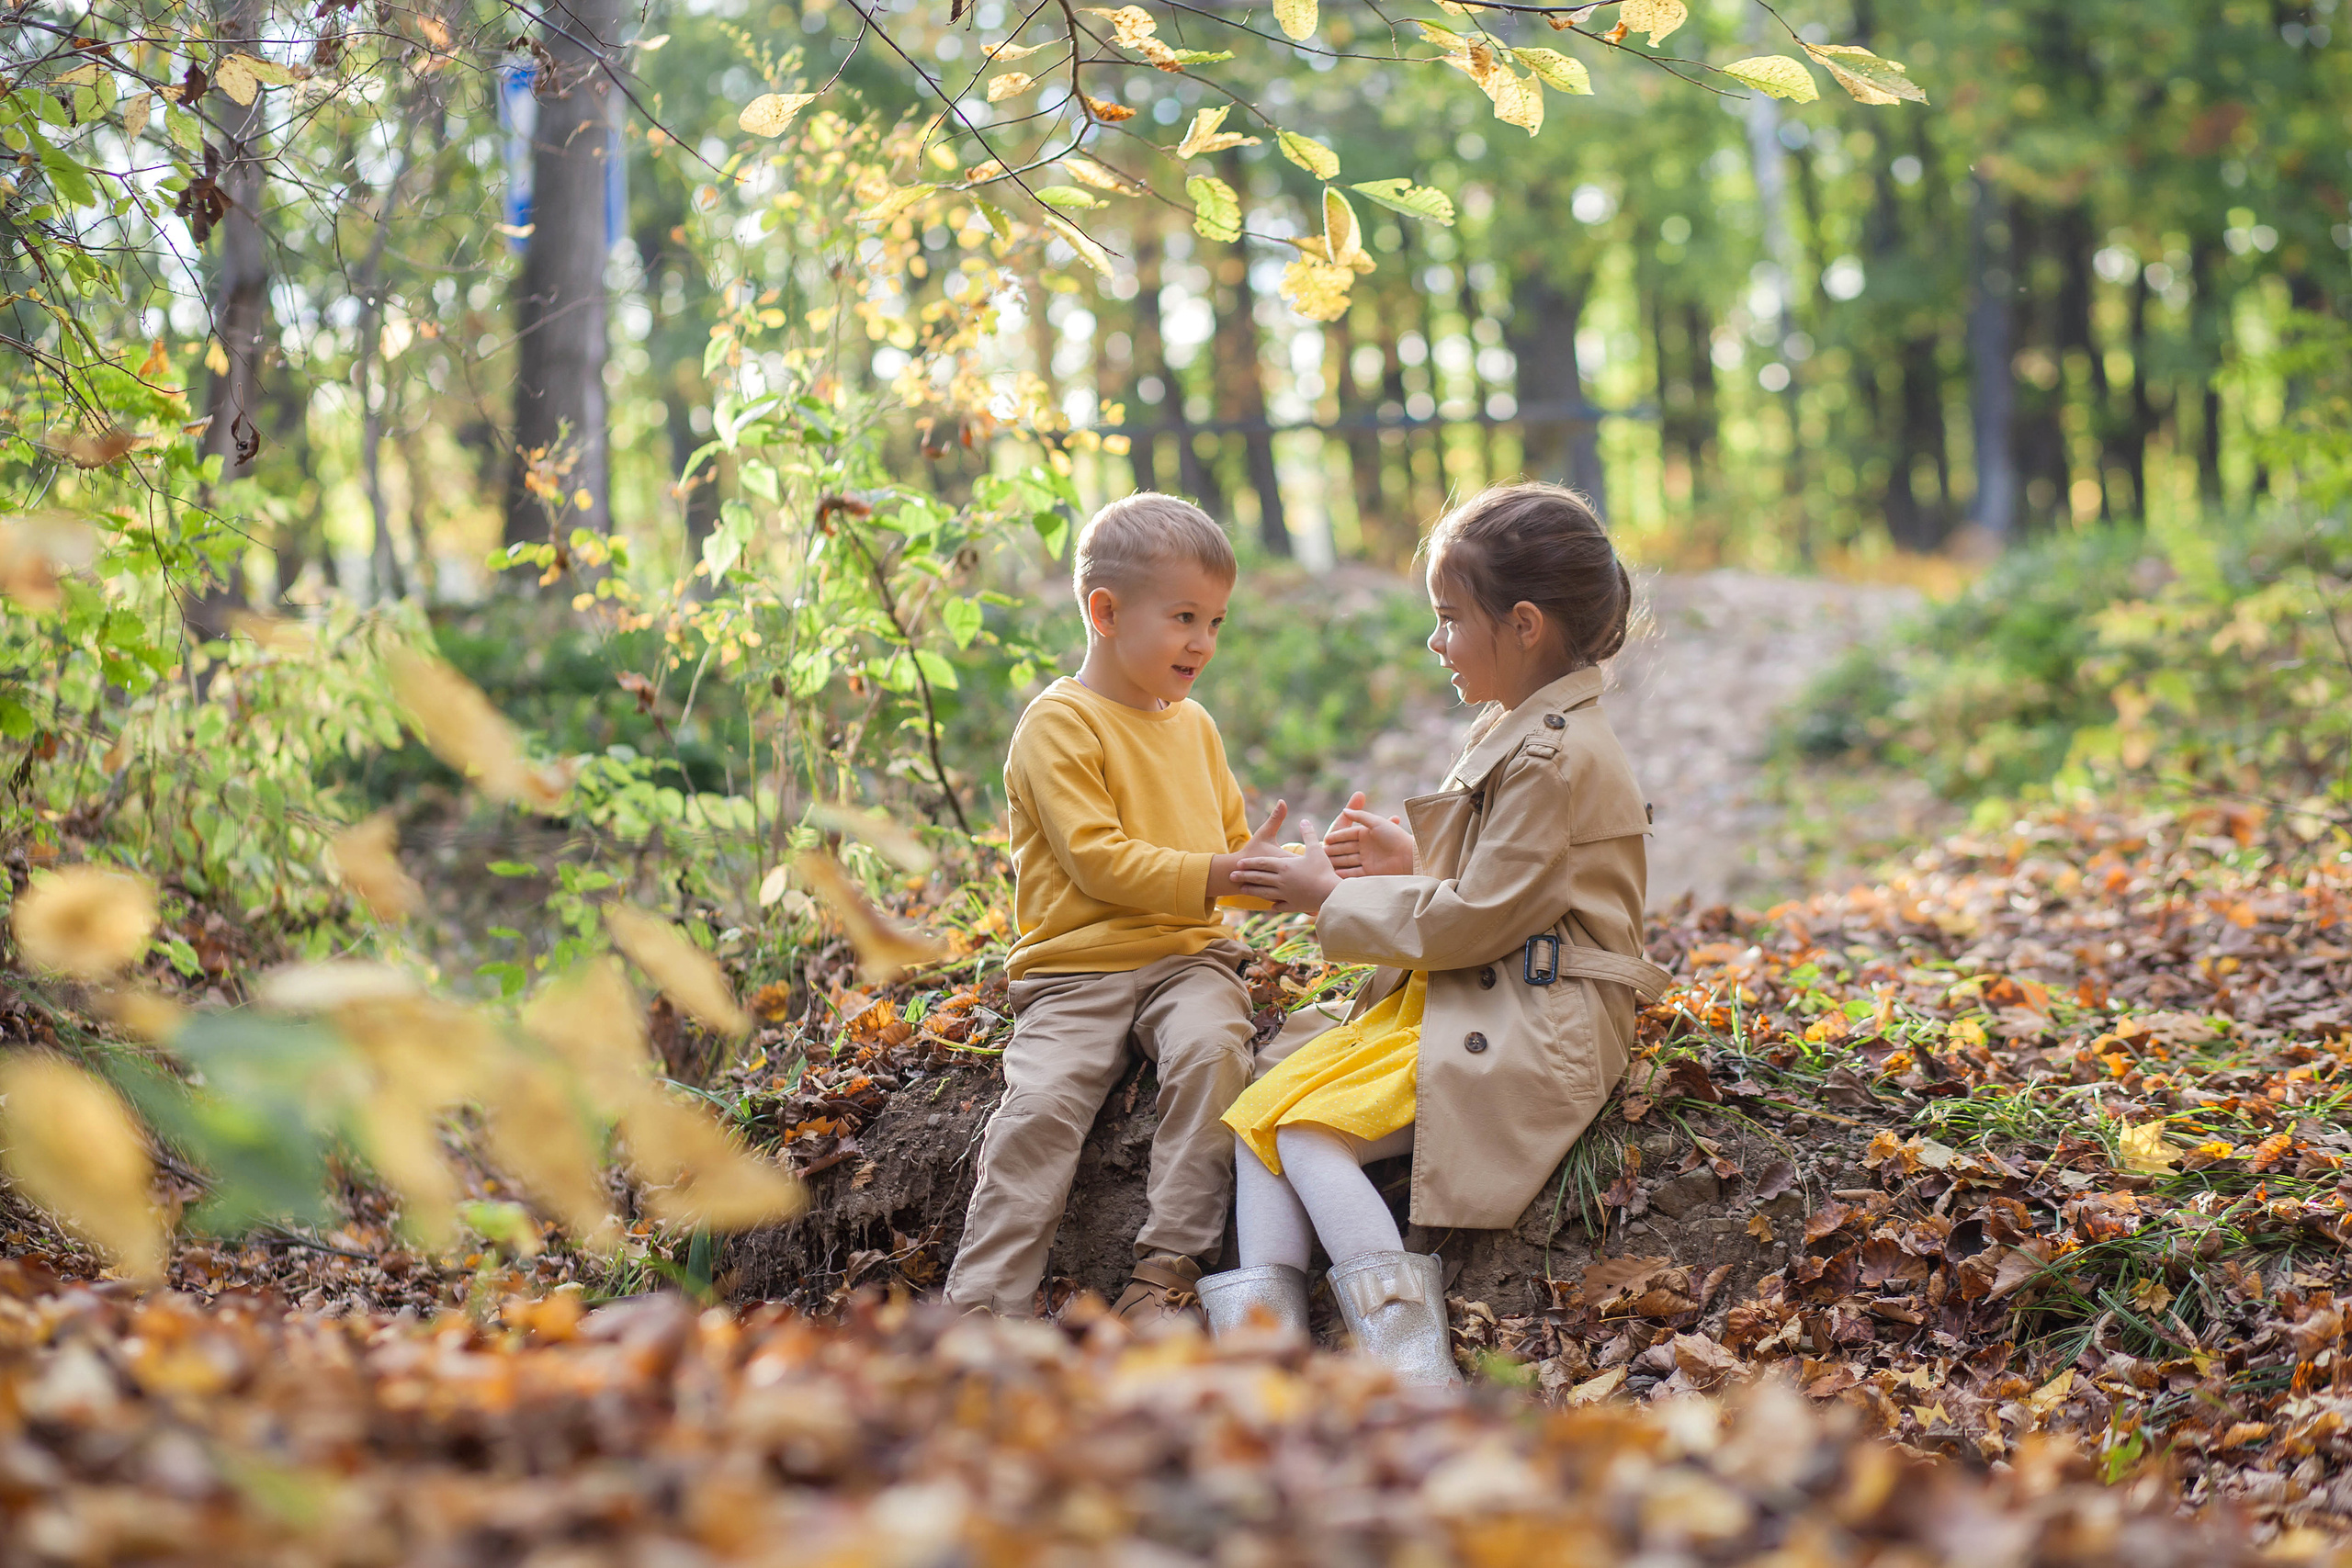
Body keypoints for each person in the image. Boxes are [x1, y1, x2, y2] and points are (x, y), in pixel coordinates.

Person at [1198, 482, 1672, 1384]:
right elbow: (1507, 883)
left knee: (1307, 1133)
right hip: (1492, 983)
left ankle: (1413, 1372)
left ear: (1524, 625)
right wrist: (1414, 856)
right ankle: (1263, 1358)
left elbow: (1480, 919)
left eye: (1449, 619)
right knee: (1263, 1109)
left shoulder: (1553, 753)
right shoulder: (1521, 727)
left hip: (1543, 1014)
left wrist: (1322, 898)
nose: (1435, 642)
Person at [944, 492, 1292, 1323]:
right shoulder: (1059, 724)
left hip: (1188, 961)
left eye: (1214, 621)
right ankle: (986, 1309)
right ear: (1105, 611)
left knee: (1214, 1052)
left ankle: (1168, 1268)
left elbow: (1229, 860)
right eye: (1183, 617)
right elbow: (1098, 862)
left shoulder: (1196, 727)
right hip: (1075, 972)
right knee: (1039, 1110)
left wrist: (1297, 873)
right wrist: (1219, 871)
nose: (1202, 642)